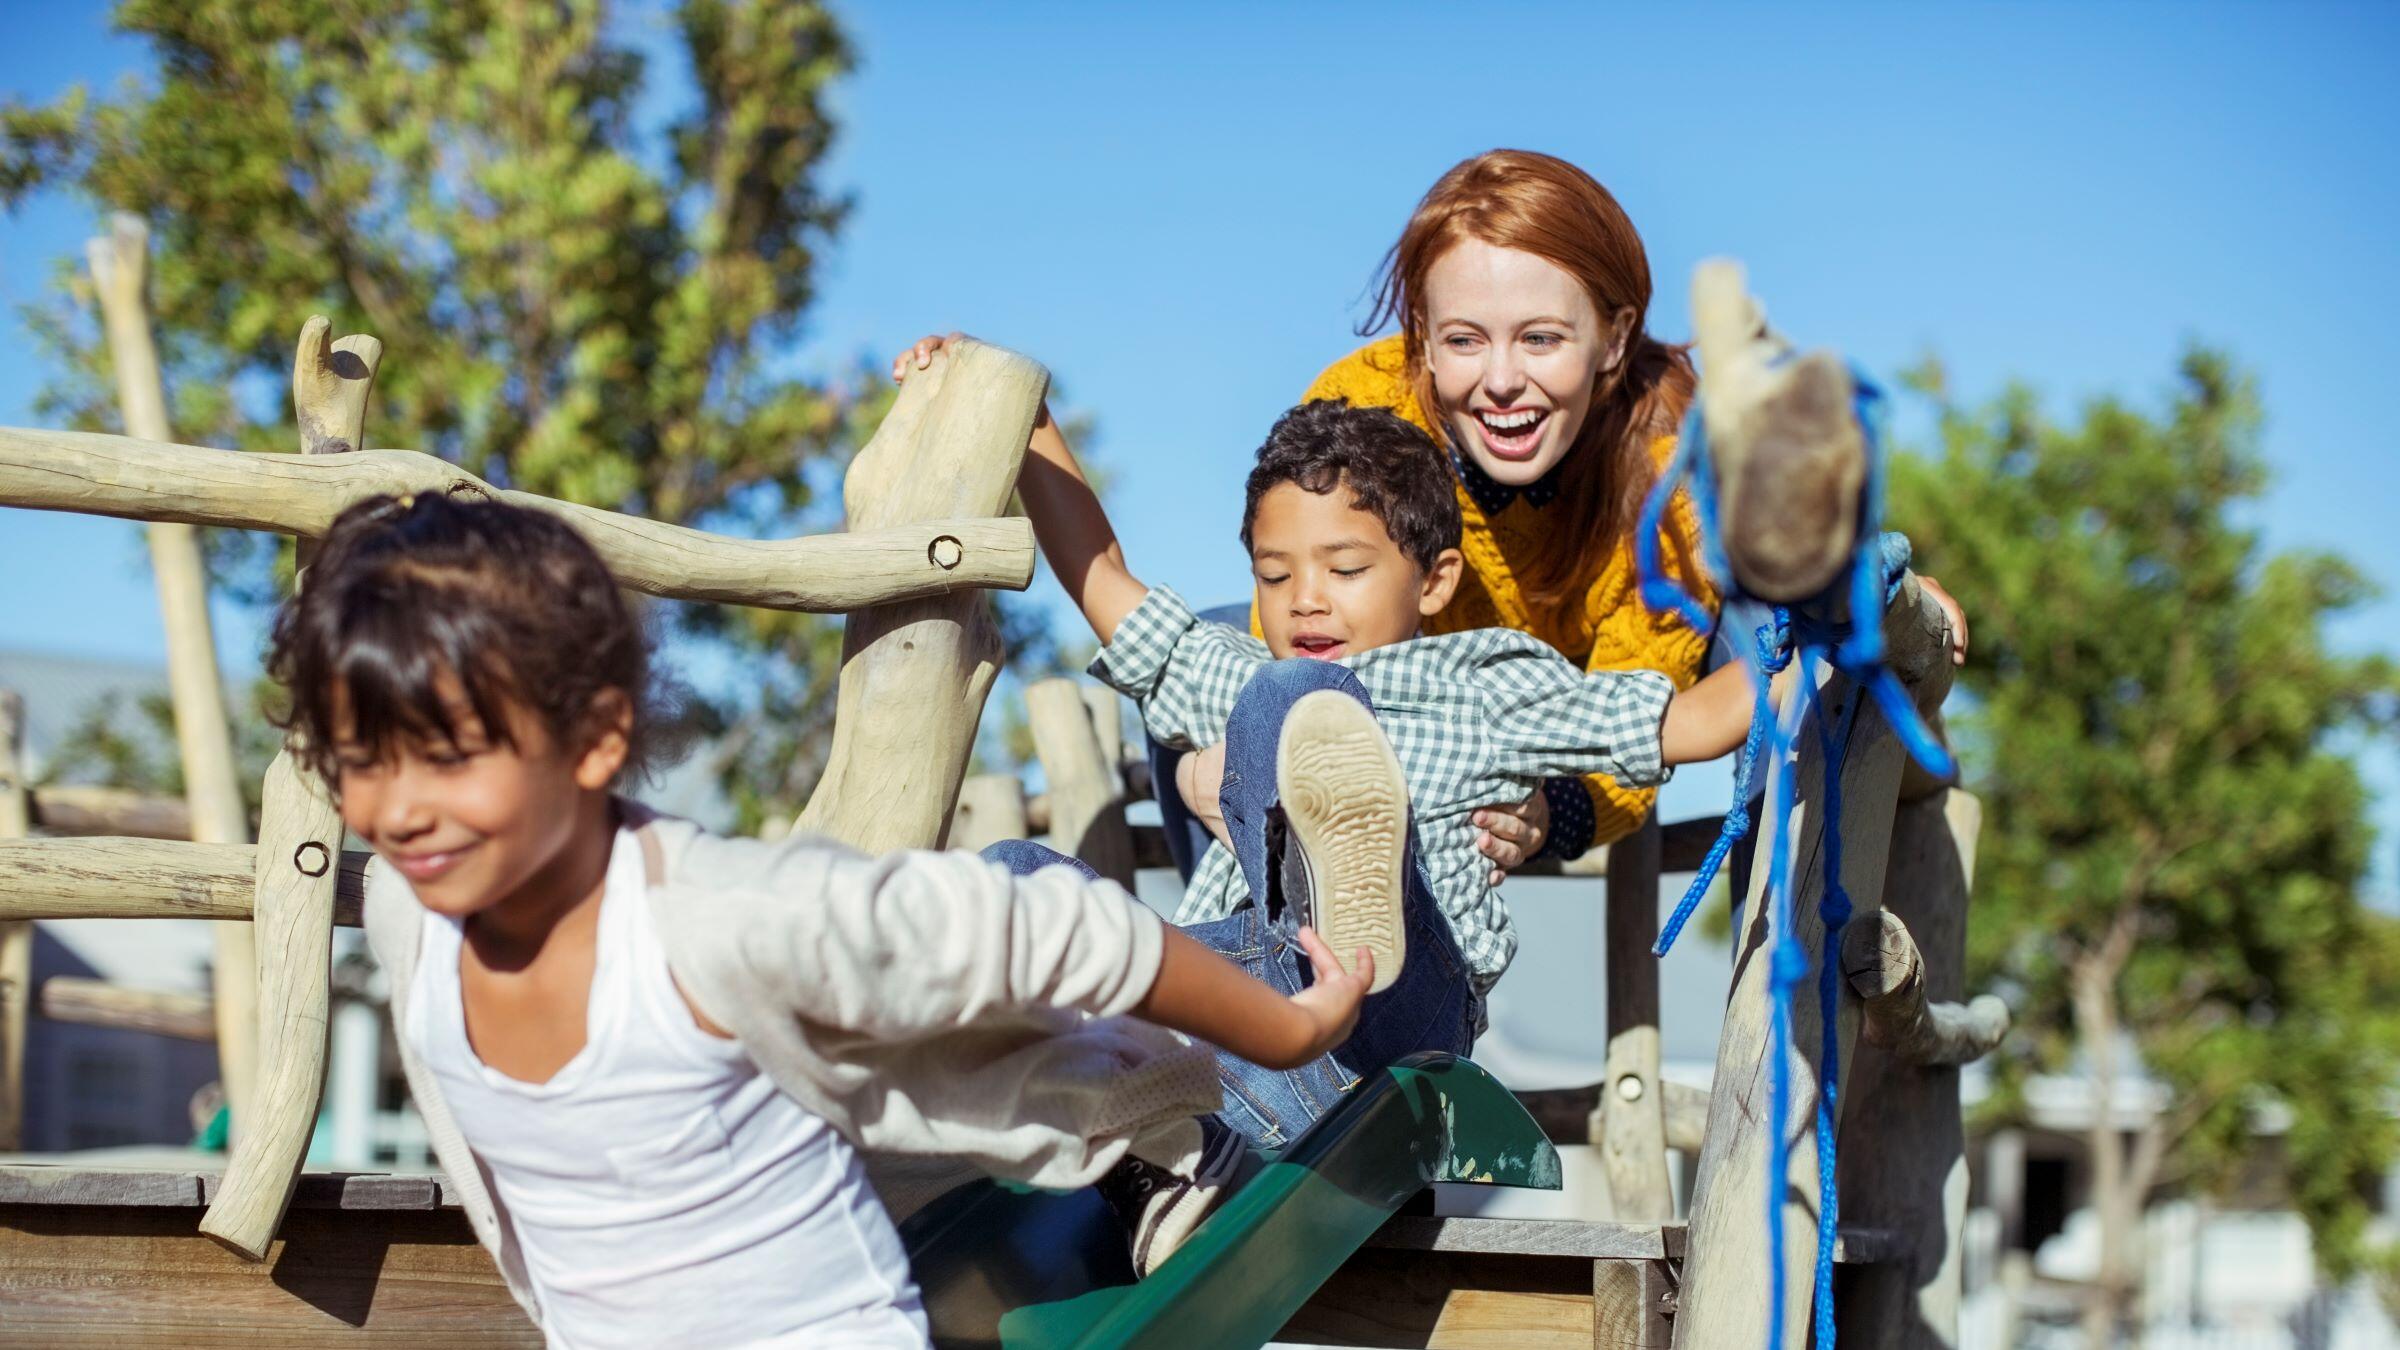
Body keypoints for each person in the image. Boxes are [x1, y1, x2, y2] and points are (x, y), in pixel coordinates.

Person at [281, 491, 1376, 1346]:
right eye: (359, 760)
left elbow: (1055, 930)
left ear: (595, 737)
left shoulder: (722, 921)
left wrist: (1290, 1031)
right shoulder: (412, 915)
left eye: (450, 757)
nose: (401, 808)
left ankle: (1202, 1120)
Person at [941, 382, 1784, 1149]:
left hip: (1393, 1027)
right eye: (1275, 575)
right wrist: (1030, 417)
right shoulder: (1237, 676)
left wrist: (1835, 637)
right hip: (1231, 1031)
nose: (1307, 596)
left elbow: (1689, 721)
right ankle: (1108, 1107)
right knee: (1013, 875)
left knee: (1298, 696)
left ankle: (1347, 924)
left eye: (1345, 570)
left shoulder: (1485, 683)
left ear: (1434, 580)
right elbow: (1106, 585)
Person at [1279, 149, 1970, 878]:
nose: (1503, 379)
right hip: (1414, 688)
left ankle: (1784, 965)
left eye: (1541, 337)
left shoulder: (1667, 467)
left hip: (1598, 690)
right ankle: (1265, 967)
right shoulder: (1362, 413)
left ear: (1613, 337)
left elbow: (1643, 705)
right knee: (1221, 667)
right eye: (1463, 340)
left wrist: (1554, 810)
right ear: (1422, 330)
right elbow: (1296, 609)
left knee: (1780, 634)